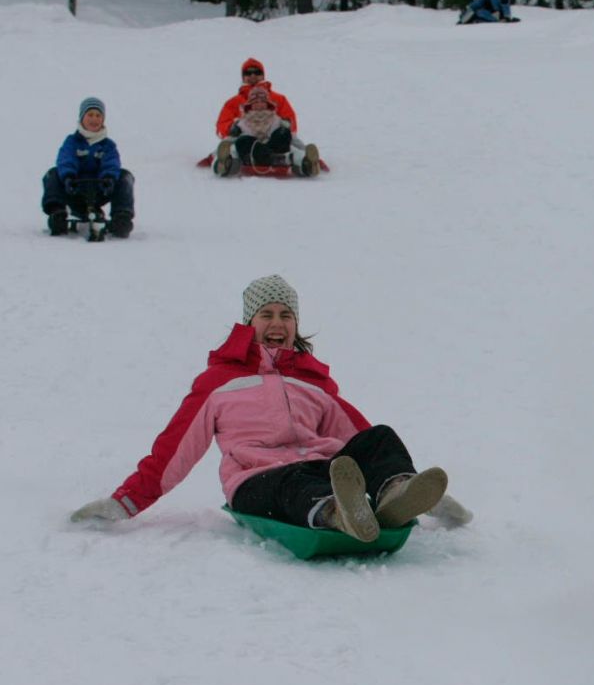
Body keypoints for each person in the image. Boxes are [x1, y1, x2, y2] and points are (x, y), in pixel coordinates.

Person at [69, 275, 472, 540]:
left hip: (320, 468)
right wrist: (125, 501)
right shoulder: (219, 382)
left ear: (296, 325)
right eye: (266, 314)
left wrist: (413, 485)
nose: (277, 322)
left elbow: (360, 436)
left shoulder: (313, 382)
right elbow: (173, 449)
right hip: (258, 479)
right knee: (294, 483)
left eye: (285, 315)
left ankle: (396, 496)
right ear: (249, 323)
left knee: (379, 437)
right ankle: (338, 513)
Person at [41, 97, 135, 238]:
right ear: (82, 117)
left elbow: (111, 163)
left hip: (100, 188)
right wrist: (68, 177)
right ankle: (57, 214)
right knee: (53, 174)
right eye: (90, 115)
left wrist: (108, 178)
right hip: (75, 189)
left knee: (124, 176)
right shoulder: (72, 141)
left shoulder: (108, 145)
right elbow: (66, 159)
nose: (94, 119)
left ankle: (121, 218)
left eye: (98, 116)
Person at [214, 86, 320, 178]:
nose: (259, 105)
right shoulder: (242, 123)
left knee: (283, 133)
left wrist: (304, 150)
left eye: (262, 102)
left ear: (267, 104)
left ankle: (307, 164)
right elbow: (228, 143)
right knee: (241, 142)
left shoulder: (277, 120)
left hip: (276, 151)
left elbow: (293, 140)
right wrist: (215, 154)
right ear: (250, 105)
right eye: (256, 102)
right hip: (253, 156)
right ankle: (225, 164)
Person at [215, 59, 299, 140]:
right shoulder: (232, 103)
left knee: (287, 140)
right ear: (243, 77)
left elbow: (291, 123)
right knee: (234, 144)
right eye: (248, 73)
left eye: (257, 72)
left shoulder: (279, 99)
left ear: (263, 75)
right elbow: (222, 126)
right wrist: (232, 129)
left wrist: (284, 126)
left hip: (274, 141)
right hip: (245, 142)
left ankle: (304, 153)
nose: (253, 75)